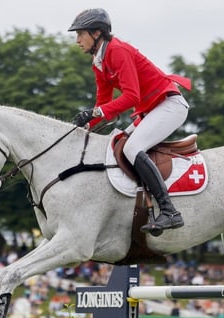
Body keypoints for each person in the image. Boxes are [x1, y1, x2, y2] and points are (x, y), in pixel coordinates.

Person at [68, 8, 191, 235]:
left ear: (96, 33)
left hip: (170, 105)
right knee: (116, 143)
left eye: (80, 34)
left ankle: (169, 211)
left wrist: (94, 113)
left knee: (133, 148)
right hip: (151, 111)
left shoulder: (118, 50)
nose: (77, 40)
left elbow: (131, 97)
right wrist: (83, 127)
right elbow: (105, 105)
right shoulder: (99, 62)